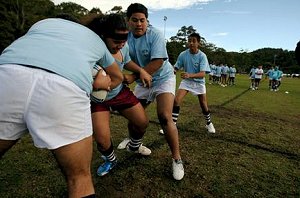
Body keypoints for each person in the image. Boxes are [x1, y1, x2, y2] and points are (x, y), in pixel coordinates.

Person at [0, 16, 123, 197]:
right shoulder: (94, 39)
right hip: (63, 87)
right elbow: (117, 76)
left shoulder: (40, 23)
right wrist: (99, 85)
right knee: (79, 178)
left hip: (7, 75)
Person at [118, 3, 184, 180]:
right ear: (128, 21)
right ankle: (135, 143)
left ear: (147, 21)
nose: (139, 24)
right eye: (135, 20)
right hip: (143, 80)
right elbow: (121, 58)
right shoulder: (125, 37)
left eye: (142, 20)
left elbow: (158, 62)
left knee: (164, 116)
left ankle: (177, 159)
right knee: (135, 115)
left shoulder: (155, 34)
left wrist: (133, 76)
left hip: (163, 78)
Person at [87, 14, 153, 177]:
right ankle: (110, 159)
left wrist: (140, 70)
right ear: (103, 37)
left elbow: (127, 61)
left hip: (119, 92)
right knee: (102, 141)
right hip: (97, 100)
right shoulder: (91, 51)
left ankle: (134, 145)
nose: (121, 45)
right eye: (116, 42)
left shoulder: (124, 46)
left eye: (124, 41)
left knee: (142, 122)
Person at [170, 33, 215, 134]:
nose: (191, 43)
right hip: (187, 82)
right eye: (189, 40)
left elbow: (203, 74)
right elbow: (176, 67)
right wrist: (171, 70)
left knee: (203, 105)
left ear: (198, 43)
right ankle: (172, 124)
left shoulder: (202, 56)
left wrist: (189, 75)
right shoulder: (183, 54)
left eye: (194, 41)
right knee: (176, 100)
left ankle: (208, 123)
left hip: (199, 82)